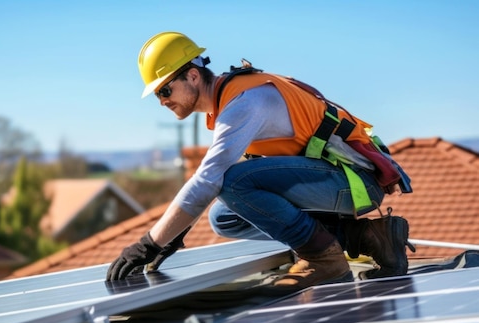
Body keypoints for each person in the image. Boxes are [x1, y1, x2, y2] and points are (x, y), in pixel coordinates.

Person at [106, 31, 414, 291]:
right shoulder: (230, 100)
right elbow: (214, 183)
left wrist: (150, 244)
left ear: (193, 75)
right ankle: (369, 238)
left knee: (235, 183)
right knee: (224, 216)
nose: (162, 101)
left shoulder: (245, 103)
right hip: (335, 180)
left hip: (355, 181)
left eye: (165, 89)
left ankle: (324, 258)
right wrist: (175, 235)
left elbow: (210, 178)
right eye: (157, 95)